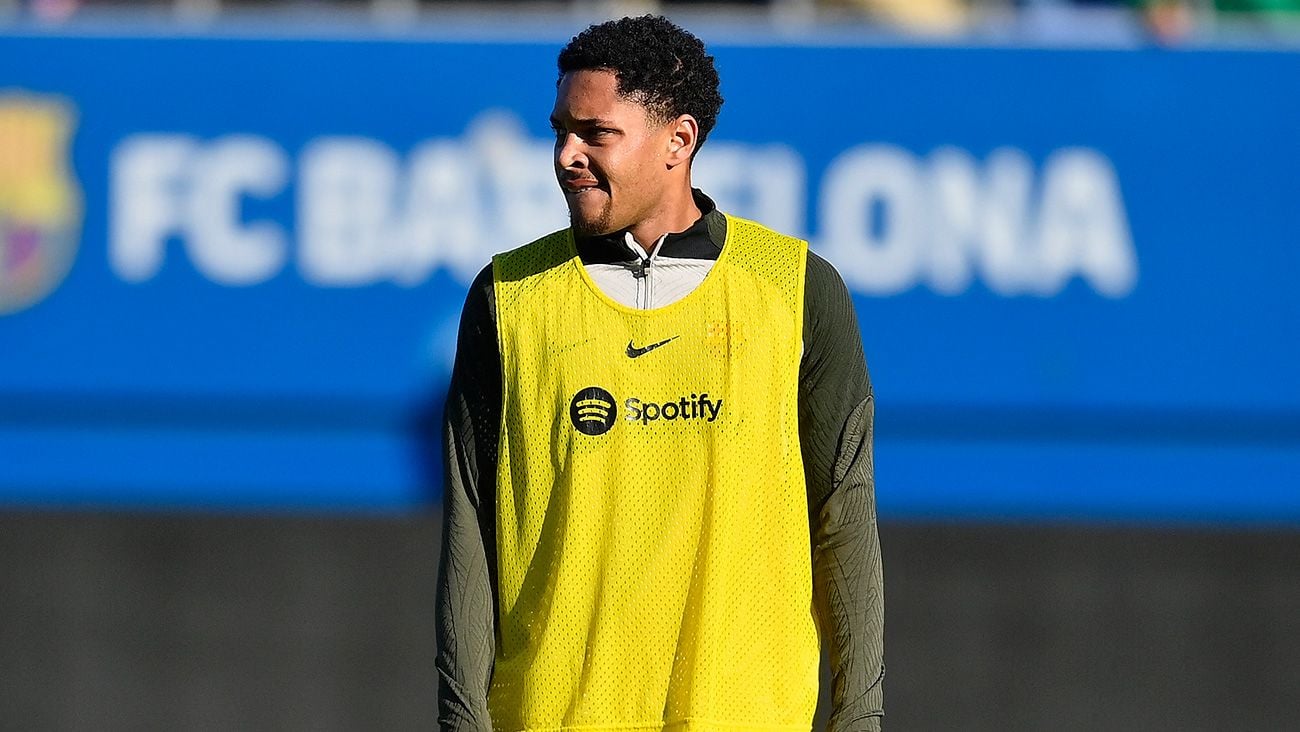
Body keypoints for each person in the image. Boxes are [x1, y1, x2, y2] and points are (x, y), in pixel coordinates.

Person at [436, 15, 883, 731]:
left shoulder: (797, 290)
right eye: (560, 131)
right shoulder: (507, 297)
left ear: (679, 141)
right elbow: (470, 529)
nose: (566, 155)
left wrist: (858, 718)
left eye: (595, 133)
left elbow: (844, 515)